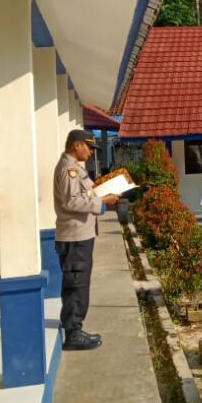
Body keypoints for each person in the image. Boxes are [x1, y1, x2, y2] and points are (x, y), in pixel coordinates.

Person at [54, 129, 119, 351]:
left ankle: (75, 328)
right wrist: (102, 203)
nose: (91, 152)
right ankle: (73, 333)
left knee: (79, 284)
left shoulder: (76, 168)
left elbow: (84, 194)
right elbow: (72, 202)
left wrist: (102, 193)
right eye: (88, 147)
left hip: (80, 234)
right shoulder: (69, 170)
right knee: (76, 285)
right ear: (77, 145)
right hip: (74, 237)